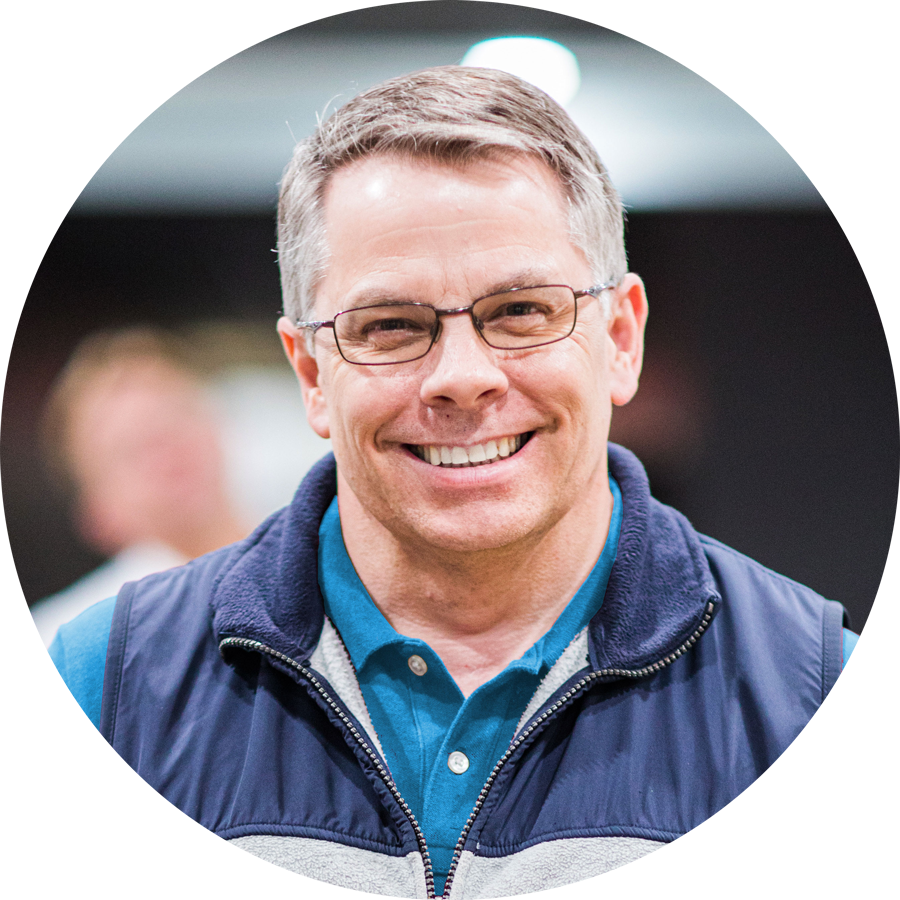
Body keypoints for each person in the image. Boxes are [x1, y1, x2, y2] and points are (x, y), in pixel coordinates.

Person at [50, 67, 860, 895]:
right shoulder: (107, 687)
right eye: (390, 326)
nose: (462, 378)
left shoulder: (806, 687)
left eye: (522, 311)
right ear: (311, 373)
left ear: (621, 338)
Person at [32, 328, 248, 647]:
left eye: (175, 418)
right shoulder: (68, 639)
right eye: (134, 448)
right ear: (96, 514)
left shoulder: (317, 543)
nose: (169, 452)